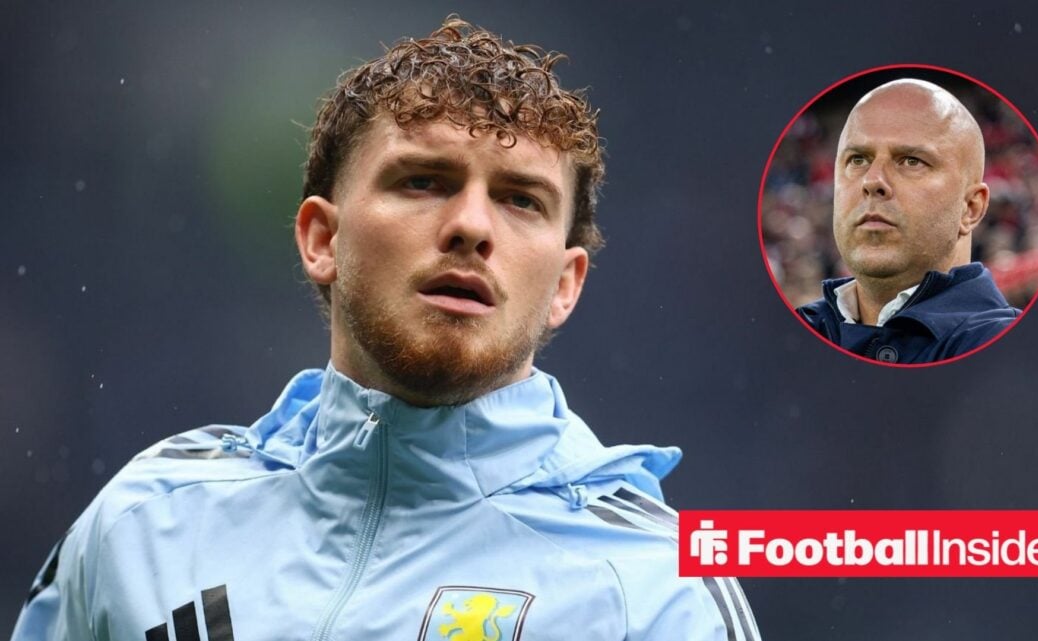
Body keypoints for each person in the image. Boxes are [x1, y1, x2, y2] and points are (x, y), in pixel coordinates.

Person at [12, 17, 760, 641]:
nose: (470, 225)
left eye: (520, 200)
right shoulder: (150, 522)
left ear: (565, 286)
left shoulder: (653, 587)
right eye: (424, 181)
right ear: (320, 239)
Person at [796, 78, 1021, 364]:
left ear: (971, 208)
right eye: (857, 160)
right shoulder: (779, 338)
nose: (872, 180)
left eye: (911, 161)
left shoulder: (1015, 353)